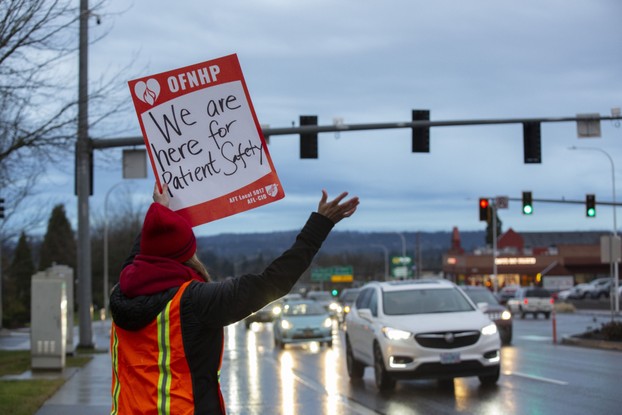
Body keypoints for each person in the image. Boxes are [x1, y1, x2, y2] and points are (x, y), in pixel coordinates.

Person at [109, 183, 359, 415]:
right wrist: (320, 225)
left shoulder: (121, 292)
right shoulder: (194, 302)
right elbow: (271, 282)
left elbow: (147, 248)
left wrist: (160, 211)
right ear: (187, 254)